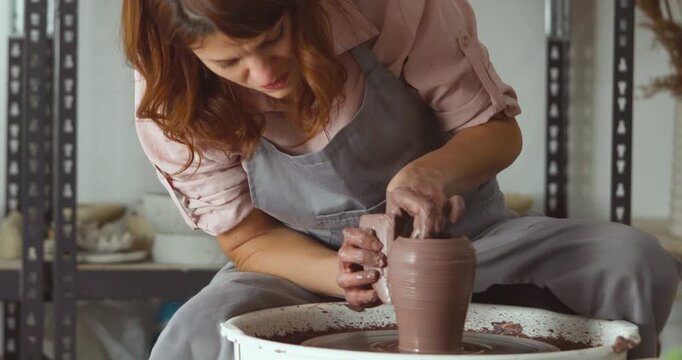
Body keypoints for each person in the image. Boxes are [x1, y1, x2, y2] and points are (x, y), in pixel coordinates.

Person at [121, 0, 681, 359]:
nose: (264, 74)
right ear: (189, 57)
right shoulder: (174, 100)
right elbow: (246, 239)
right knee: (200, 330)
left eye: (273, 41)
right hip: (310, 268)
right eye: (231, 63)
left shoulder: (389, 9)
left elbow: (497, 133)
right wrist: (341, 275)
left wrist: (428, 174)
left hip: (476, 242)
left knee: (629, 259)